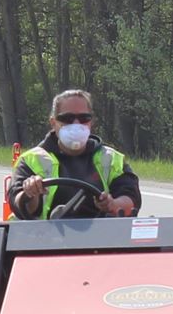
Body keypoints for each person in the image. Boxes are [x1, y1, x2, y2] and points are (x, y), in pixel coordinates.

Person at [8, 89, 142, 219]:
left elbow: (131, 198)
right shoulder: (31, 160)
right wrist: (30, 193)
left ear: (91, 122)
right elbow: (19, 204)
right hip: (44, 238)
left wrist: (112, 204)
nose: (76, 124)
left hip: (102, 238)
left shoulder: (111, 159)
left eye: (84, 118)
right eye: (67, 118)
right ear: (53, 123)